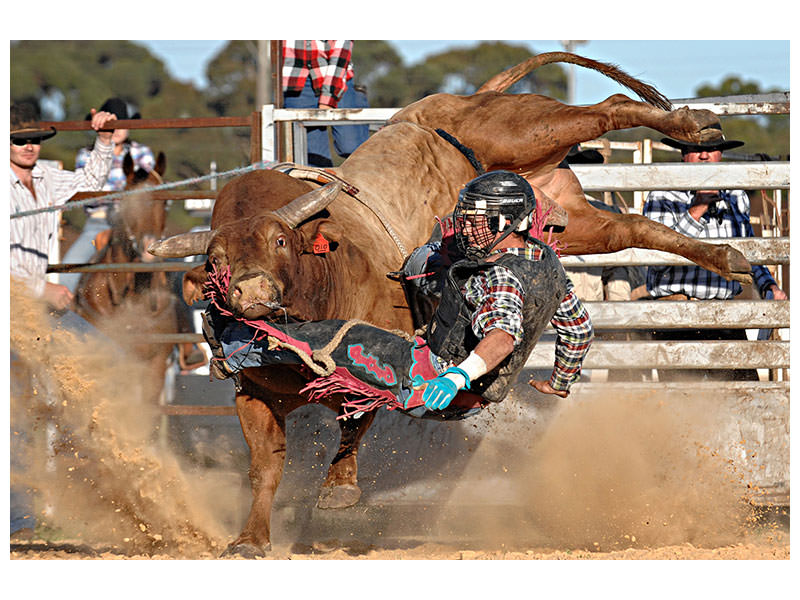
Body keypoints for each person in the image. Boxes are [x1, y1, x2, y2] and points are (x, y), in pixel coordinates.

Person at [202, 171, 594, 420]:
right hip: (477, 394)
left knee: (331, 337)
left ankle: (231, 346)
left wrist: (457, 375)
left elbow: (503, 335)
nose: (466, 225)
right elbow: (578, 328)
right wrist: (560, 381)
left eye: (476, 219)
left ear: (506, 223)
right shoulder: (546, 262)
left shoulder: (500, 277)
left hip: (433, 382)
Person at [10, 100, 118, 539]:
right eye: (20, 139)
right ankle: (17, 520)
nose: (29, 146)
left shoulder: (48, 177)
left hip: (39, 309)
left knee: (108, 358)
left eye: (35, 139)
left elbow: (91, 181)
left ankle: (78, 452)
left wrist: (104, 140)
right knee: (14, 410)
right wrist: (43, 290)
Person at [643, 134, 787, 381]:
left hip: (724, 316)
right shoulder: (663, 195)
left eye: (712, 148)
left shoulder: (735, 195)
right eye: (695, 148)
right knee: (683, 404)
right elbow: (656, 257)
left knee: (743, 399)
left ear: (720, 153)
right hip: (677, 315)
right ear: (683, 154)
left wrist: (768, 285)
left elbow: (748, 252)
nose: (704, 155)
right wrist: (696, 210)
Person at [60, 97, 155, 293]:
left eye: (121, 124)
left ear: (129, 126)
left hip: (136, 224)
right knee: (67, 270)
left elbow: (149, 187)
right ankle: (60, 315)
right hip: (99, 224)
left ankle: (174, 314)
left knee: (160, 266)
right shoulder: (87, 154)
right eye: (112, 124)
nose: (117, 129)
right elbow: (85, 188)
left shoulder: (142, 152)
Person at [282, 40, 369, 167]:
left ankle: (359, 101)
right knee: (313, 158)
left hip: (336, 74)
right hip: (295, 78)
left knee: (350, 147)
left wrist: (329, 97)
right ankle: (323, 185)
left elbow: (341, 49)